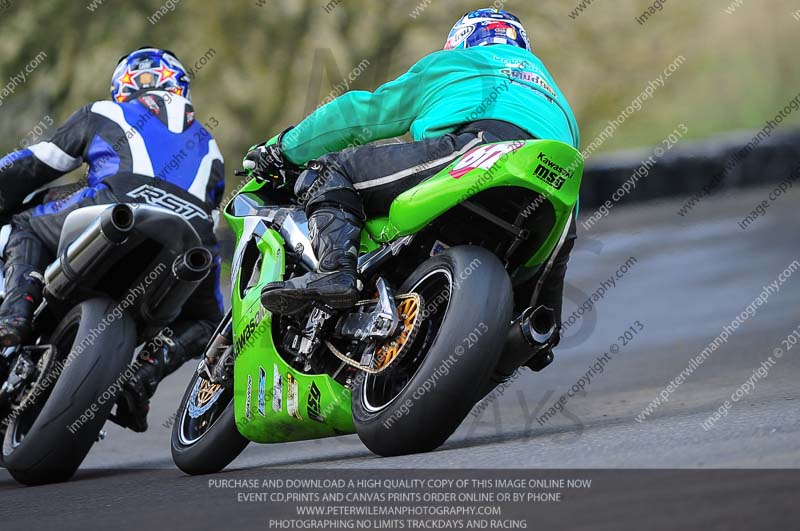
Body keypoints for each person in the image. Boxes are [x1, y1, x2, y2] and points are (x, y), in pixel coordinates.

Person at [248, 9, 579, 357]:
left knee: (333, 170)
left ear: (459, 42)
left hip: (476, 151)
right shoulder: (561, 105)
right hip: (544, 202)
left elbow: (362, 114)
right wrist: (542, 318)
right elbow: (564, 231)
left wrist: (282, 149)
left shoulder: (457, 63)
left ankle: (335, 271)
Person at [0, 47, 225, 431]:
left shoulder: (105, 111)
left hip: (115, 206)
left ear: (125, 84)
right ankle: (143, 377)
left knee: (24, 223)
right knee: (208, 320)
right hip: (191, 238)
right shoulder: (211, 147)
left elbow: (38, 163)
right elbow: (211, 214)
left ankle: (14, 315)